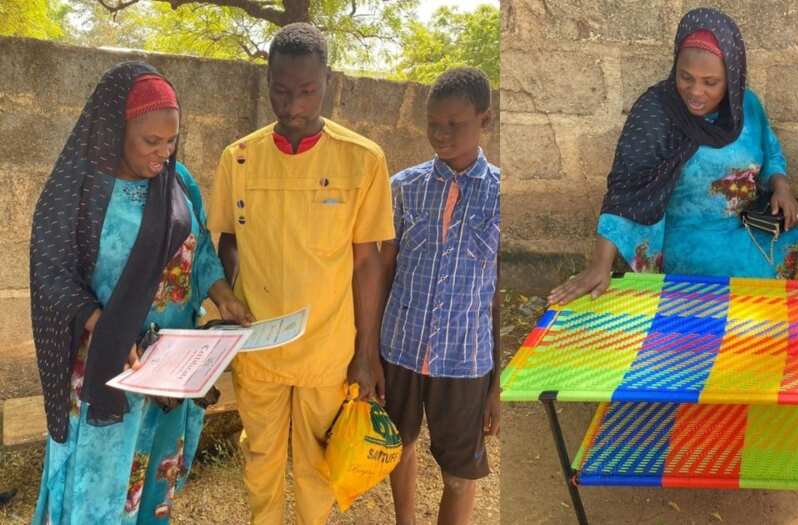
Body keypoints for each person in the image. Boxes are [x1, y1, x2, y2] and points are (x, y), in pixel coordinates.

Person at [29, 62, 251, 524]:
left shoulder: (178, 181)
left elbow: (200, 248)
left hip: (171, 370)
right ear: (116, 130)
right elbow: (52, 274)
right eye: (152, 142)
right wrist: (103, 324)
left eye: (171, 141)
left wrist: (222, 294)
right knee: (101, 493)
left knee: (152, 486)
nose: (163, 153)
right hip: (111, 367)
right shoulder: (81, 190)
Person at [207, 23, 394, 524]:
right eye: (281, 91)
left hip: (327, 349)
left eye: (307, 91)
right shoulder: (239, 158)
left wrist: (366, 354)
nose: (292, 106)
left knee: (316, 463)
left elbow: (367, 262)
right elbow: (227, 240)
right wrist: (227, 307)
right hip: (259, 344)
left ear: (328, 81)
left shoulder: (362, 160)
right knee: (261, 458)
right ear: (266, 81)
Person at [549, 7, 798, 306]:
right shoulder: (656, 113)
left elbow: (771, 150)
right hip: (689, 241)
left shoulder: (746, 106)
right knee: (747, 294)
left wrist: (781, 186)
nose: (696, 92)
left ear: (732, 77)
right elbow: (626, 192)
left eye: (711, 82)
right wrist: (599, 265)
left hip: (745, 226)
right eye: (686, 77)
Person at [380, 67, 501, 525]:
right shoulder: (403, 188)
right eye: (434, 122)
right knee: (399, 445)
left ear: (485, 120)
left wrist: (496, 386)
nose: (441, 133)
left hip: (465, 360)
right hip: (400, 348)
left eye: (455, 124)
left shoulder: (498, 195)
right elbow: (385, 270)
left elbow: (496, 297)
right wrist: (370, 352)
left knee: (459, 474)